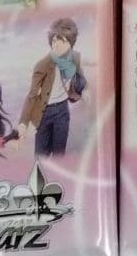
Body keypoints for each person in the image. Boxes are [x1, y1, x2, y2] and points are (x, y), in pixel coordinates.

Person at [20, 18, 87, 156]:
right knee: (40, 155)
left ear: (70, 43)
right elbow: (32, 94)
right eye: (54, 41)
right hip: (44, 112)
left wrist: (85, 91)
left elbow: (80, 76)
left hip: (62, 110)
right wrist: (23, 122)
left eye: (62, 41)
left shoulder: (74, 58)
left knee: (59, 154)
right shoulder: (42, 65)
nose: (56, 45)